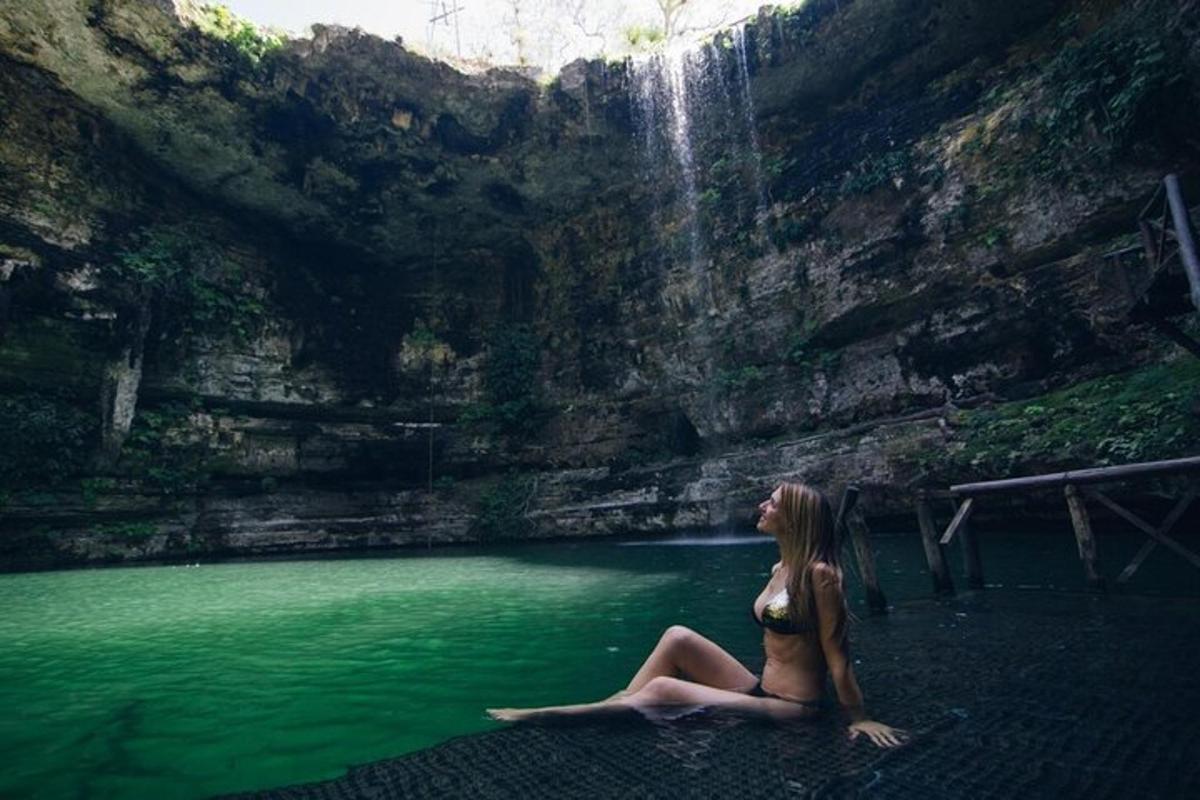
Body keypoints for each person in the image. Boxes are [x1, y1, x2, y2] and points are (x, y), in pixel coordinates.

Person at [488, 482, 907, 748]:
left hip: (795, 708)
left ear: (793, 519)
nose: (762, 506)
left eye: (773, 503)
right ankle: (612, 704)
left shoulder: (821, 576)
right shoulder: (780, 569)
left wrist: (859, 717)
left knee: (665, 690)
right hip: (761, 688)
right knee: (677, 637)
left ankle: (551, 715)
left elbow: (839, 657)